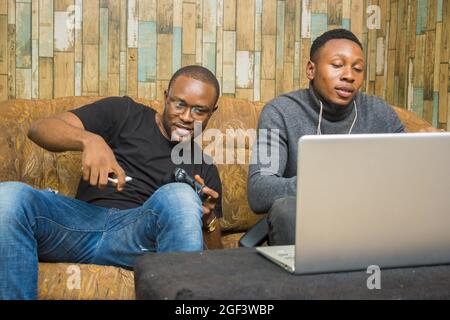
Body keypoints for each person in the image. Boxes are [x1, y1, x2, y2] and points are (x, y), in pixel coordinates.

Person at [0, 65, 223, 300]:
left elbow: (217, 262)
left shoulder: (204, 168)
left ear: (212, 112)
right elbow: (40, 128)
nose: (187, 118)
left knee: (181, 195)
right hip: (76, 225)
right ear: (165, 96)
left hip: (139, 240)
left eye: (199, 111)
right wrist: (89, 140)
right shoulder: (125, 112)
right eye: (179, 104)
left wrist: (207, 219)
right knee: (8, 197)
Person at [247, 29, 442, 246]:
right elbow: (259, 190)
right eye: (338, 65)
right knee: (285, 209)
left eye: (358, 69)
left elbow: (404, 178)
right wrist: (327, 183)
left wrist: (427, 156)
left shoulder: (379, 112)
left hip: (370, 220)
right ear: (311, 69)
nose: (349, 75)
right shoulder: (280, 112)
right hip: (312, 222)